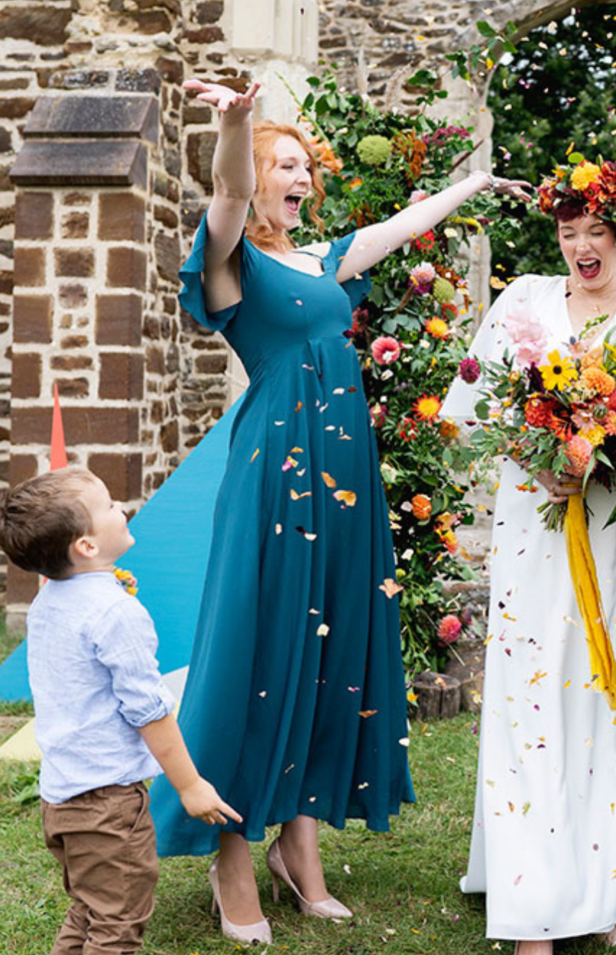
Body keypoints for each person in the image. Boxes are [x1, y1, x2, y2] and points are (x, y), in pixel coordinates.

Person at [150, 78, 528, 944]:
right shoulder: (228, 255)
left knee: (326, 644)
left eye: (304, 170)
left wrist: (475, 183)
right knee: (262, 642)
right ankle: (231, 855)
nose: (298, 178)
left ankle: (299, 847)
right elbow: (232, 191)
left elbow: (402, 228)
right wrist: (239, 123)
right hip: (275, 472)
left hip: (344, 472)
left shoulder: (320, 262)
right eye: (286, 166)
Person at [439, 158, 616, 954]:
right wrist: (540, 456)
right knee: (536, 692)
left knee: (614, 691)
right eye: (568, 233)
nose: (582, 248)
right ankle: (536, 895)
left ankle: (614, 881)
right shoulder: (523, 301)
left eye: (597, 232)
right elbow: (476, 412)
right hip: (540, 523)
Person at [0, 467, 241, 955]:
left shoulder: (50, 602)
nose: (119, 508)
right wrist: (190, 785)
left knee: (88, 909)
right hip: (106, 806)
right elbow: (149, 711)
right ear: (84, 546)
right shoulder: (113, 612)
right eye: (106, 505)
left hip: (62, 798)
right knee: (116, 926)